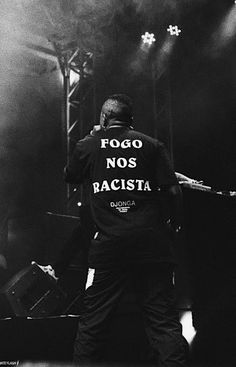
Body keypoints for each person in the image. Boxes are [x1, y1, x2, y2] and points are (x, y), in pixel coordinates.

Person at [64, 94, 188, 366]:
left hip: (109, 247)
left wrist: (91, 138)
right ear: (131, 120)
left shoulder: (89, 145)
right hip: (152, 244)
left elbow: (70, 174)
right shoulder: (152, 145)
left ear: (104, 118)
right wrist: (173, 224)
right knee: (163, 323)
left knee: (92, 324)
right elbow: (173, 190)